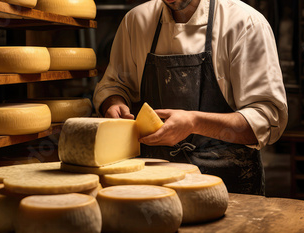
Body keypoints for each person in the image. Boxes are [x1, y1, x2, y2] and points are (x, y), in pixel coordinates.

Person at [93, 0, 288, 195]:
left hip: (229, 187)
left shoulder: (245, 24)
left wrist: (195, 123)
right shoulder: (136, 22)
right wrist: (114, 101)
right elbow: (114, 84)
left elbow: (266, 118)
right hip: (152, 187)